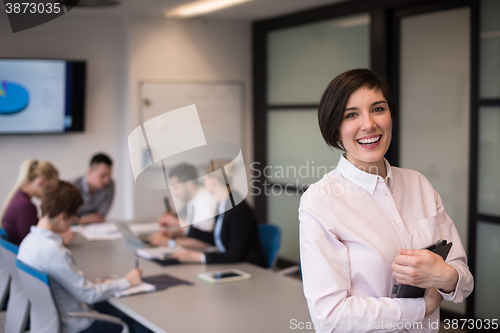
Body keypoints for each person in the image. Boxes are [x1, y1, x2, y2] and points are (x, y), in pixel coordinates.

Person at [299, 69, 473, 332]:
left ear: (391, 116)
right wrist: (421, 308)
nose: (369, 124)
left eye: (378, 109)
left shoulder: (419, 184)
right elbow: (329, 318)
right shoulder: (321, 201)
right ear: (335, 129)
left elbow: (463, 278)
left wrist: (446, 276)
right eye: (351, 114)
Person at [17, 180, 148, 333]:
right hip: (76, 325)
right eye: (74, 216)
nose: (74, 221)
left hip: (48, 323)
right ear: (62, 216)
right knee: (140, 325)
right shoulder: (54, 251)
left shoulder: (27, 243)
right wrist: (127, 281)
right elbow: (89, 295)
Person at [169, 160, 267, 268]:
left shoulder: (238, 210)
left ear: (213, 181)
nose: (203, 183)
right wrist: (187, 229)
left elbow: (235, 255)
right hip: (231, 265)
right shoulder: (223, 204)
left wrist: (197, 257)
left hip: (249, 268)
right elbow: (216, 238)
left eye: (205, 179)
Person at [150, 163, 216, 245]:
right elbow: (194, 233)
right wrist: (174, 235)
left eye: (176, 187)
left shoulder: (207, 203)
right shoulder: (192, 201)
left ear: (189, 184)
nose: (174, 193)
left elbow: (205, 240)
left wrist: (169, 242)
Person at [0, 159, 60, 245]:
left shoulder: (19, 197)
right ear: (41, 181)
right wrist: (60, 239)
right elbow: (32, 243)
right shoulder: (25, 206)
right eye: (51, 187)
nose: (51, 192)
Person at [73, 153, 114, 224]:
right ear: (90, 172)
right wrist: (87, 219)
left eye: (109, 176)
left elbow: (100, 217)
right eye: (103, 175)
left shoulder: (110, 185)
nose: (106, 181)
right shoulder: (73, 187)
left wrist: (78, 219)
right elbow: (66, 219)